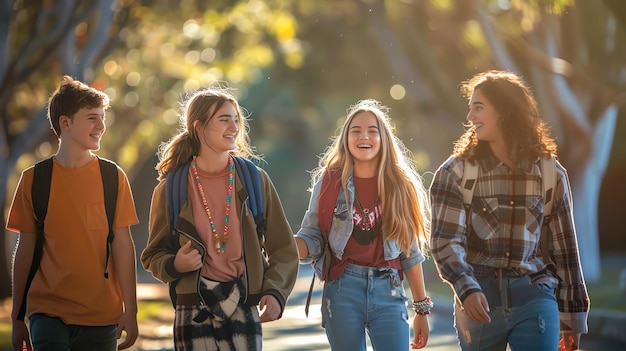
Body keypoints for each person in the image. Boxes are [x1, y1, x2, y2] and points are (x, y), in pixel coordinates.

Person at [429, 70, 590, 351]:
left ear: (504, 111)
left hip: (535, 296)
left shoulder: (550, 173)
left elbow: (565, 250)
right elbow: (445, 242)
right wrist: (466, 289)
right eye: (470, 108)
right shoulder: (455, 172)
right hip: (479, 302)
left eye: (478, 108)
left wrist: (573, 317)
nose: (470, 117)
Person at [141, 85, 298, 351]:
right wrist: (175, 264)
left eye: (236, 119)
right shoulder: (171, 189)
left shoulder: (255, 180)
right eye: (224, 119)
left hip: (244, 303)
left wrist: (275, 291)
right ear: (200, 127)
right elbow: (153, 254)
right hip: (192, 307)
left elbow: (283, 247)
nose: (234, 127)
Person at [7, 76, 140, 351]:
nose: (101, 126)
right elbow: (25, 248)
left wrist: (132, 310)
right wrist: (17, 316)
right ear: (65, 123)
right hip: (48, 313)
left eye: (102, 118)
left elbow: (123, 245)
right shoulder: (34, 180)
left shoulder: (113, 178)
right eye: (92, 118)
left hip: (102, 316)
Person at [294, 99, 432, 350]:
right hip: (342, 288)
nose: (363, 136)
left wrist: (421, 309)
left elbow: (410, 251)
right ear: (346, 139)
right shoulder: (328, 183)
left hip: (389, 290)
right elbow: (313, 235)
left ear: (383, 139)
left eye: (372, 130)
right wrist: (290, 247)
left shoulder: (400, 186)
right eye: (355, 131)